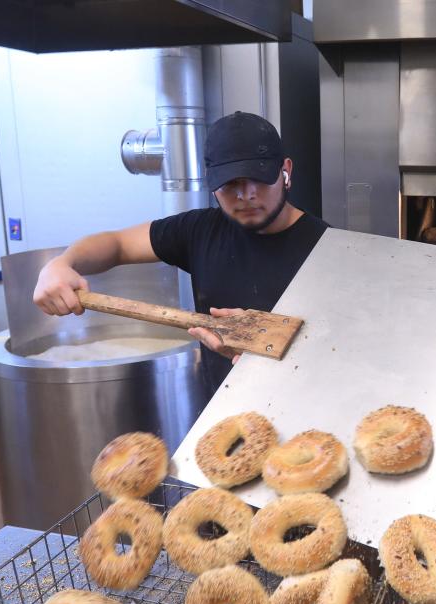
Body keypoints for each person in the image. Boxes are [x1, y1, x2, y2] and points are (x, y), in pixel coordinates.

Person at [33, 111, 328, 394]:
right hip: (221, 414)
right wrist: (61, 264)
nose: (245, 194)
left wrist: (265, 341)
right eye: (230, 183)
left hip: (303, 409)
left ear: (285, 171)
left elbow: (342, 348)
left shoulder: (327, 247)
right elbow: (116, 244)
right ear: (212, 184)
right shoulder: (199, 230)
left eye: (258, 178)